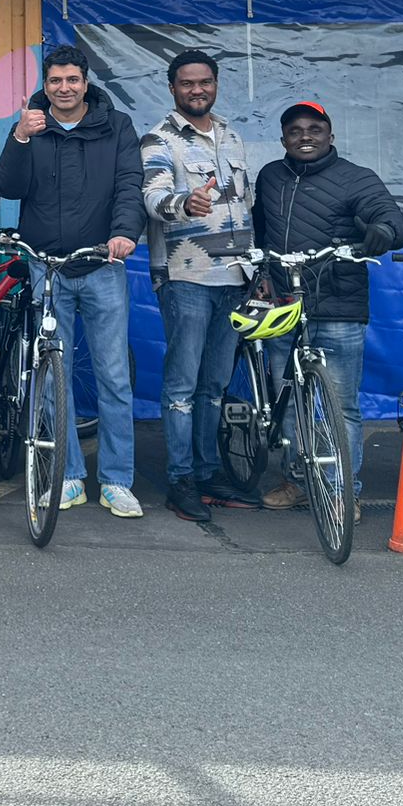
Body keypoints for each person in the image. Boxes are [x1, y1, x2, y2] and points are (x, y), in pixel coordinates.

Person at [0, 43, 146, 517]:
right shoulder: (29, 125)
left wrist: (123, 232)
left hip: (102, 266)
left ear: (85, 81)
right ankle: (70, 476)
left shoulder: (116, 125)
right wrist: (19, 138)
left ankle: (118, 480)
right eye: (55, 81)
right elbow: (9, 187)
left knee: (114, 378)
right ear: (45, 83)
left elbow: (129, 183)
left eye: (72, 80)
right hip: (47, 269)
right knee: (50, 379)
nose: (63, 89)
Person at [250, 100, 403, 519]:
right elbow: (260, 230)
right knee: (291, 401)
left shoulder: (357, 178)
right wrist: (262, 272)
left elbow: (393, 220)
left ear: (330, 136)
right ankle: (299, 481)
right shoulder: (270, 177)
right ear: (283, 138)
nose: (305, 136)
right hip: (285, 307)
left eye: (314, 129)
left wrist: (382, 231)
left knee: (340, 407)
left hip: (338, 307)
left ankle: (342, 491)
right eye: (295, 130)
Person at [142, 48, 263, 522]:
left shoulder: (231, 136)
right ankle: (181, 480)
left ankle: (209, 472)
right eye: (188, 83)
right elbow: (151, 196)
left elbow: (245, 203)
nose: (198, 90)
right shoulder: (157, 139)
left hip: (235, 276)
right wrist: (181, 204)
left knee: (213, 386)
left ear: (215, 84)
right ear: (173, 88)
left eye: (205, 82)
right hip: (186, 277)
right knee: (181, 386)